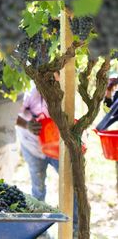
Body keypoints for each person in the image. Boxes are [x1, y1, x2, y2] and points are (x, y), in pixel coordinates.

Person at [15, 77, 78, 232]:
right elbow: (14, 115)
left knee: (71, 185)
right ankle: (38, 230)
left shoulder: (65, 88)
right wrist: (28, 124)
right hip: (32, 146)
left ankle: (74, 228)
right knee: (38, 187)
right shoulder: (30, 91)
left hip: (57, 146)